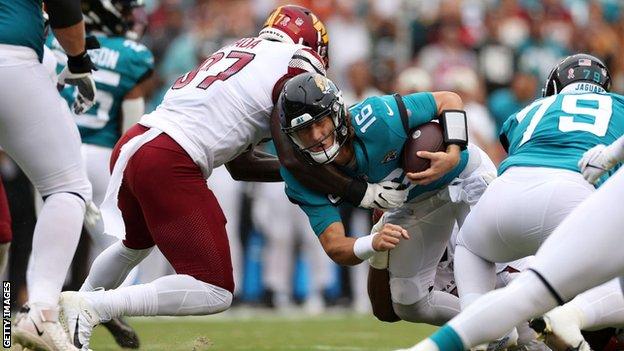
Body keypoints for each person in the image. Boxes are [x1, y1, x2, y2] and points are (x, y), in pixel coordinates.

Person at [54, 5, 339, 350]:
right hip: (169, 156)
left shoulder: (243, 50)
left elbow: (241, 165)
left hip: (138, 141)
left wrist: (297, 171)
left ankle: (65, 321)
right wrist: (343, 181)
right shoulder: (296, 58)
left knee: (135, 244)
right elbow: (291, 159)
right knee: (216, 289)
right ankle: (93, 306)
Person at [399, 54, 624, 351]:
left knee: (472, 247)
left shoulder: (530, 110)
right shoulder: (618, 104)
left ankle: (477, 332)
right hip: (575, 192)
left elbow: (513, 142)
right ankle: (572, 316)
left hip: (506, 191)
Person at [278, 72, 496, 325]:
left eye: (320, 122)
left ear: (337, 113)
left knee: (495, 268)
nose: (315, 136)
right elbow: (335, 246)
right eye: (304, 130)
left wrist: (454, 151)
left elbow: (448, 99)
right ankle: (498, 331)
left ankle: (506, 326)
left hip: (462, 176)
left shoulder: (377, 117)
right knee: (409, 302)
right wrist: (373, 243)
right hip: (416, 202)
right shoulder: (301, 173)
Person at [46, 1, 154, 346]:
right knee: (122, 247)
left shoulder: (54, 40)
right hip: (102, 157)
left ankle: (30, 318)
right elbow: (132, 130)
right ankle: (97, 306)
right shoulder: (131, 54)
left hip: (52, 152)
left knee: (44, 250)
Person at [1, 0, 97, 349]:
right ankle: (40, 312)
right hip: (11, 61)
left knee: (9, 234)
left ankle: (13, 318)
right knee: (67, 188)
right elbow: (64, 8)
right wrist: (79, 59)